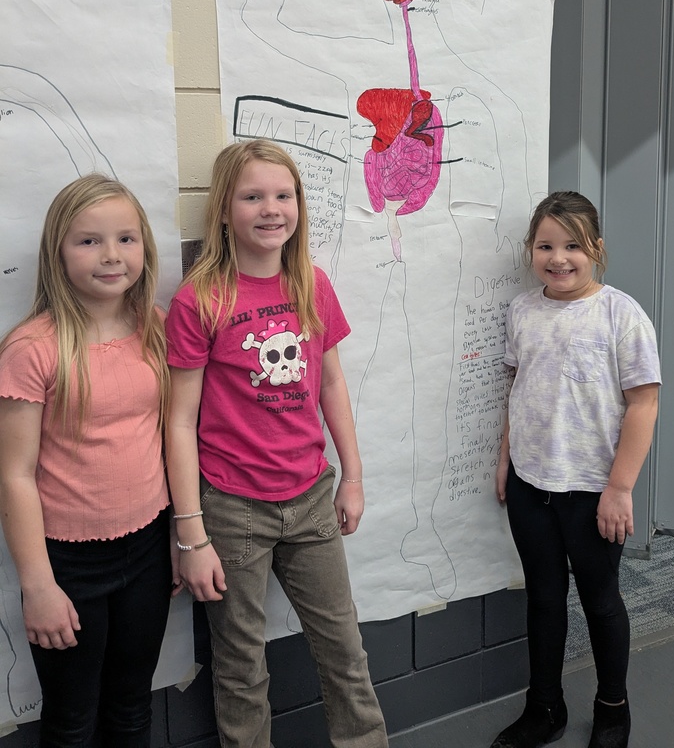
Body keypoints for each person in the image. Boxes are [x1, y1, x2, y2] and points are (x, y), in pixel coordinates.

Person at [164, 138, 388, 748]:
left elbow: (332, 383)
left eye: (283, 195)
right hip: (232, 509)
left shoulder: (310, 283)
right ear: (224, 209)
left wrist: (354, 476)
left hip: (312, 496)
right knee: (240, 668)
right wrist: (192, 534)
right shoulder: (199, 300)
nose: (271, 209)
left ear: (299, 205)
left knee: (345, 651)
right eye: (253, 196)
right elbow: (178, 422)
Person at [0, 174, 174, 747]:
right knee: (73, 719)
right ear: (58, 252)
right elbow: (15, 475)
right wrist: (38, 586)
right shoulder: (33, 348)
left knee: (131, 706)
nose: (110, 256)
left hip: (147, 548)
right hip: (68, 565)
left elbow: (166, 433)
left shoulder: (154, 326)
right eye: (88, 241)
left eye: (126, 239)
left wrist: (178, 537)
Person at [490, 192, 661, 748]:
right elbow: (517, 390)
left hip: (593, 491)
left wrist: (620, 488)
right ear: (530, 251)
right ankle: (544, 707)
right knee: (542, 598)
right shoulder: (522, 311)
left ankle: (613, 709)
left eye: (572, 246)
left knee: (600, 599)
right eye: (545, 245)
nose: (558, 258)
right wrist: (504, 461)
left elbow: (644, 403)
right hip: (530, 484)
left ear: (597, 250)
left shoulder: (621, 313)